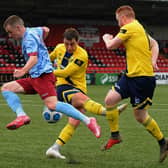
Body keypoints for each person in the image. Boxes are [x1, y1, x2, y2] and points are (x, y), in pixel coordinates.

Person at [1, 15, 101, 139]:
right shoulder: (34, 30)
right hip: (35, 77)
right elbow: (46, 30)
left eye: (10, 32)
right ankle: (21, 116)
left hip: (43, 76)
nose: (10, 35)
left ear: (18, 27)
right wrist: (42, 47)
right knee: (6, 88)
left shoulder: (29, 39)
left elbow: (33, 58)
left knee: (52, 105)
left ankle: (88, 120)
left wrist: (23, 71)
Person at [45, 27, 128, 159]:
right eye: (66, 43)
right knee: (83, 102)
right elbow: (48, 59)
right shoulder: (59, 48)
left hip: (78, 88)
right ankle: (108, 112)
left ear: (77, 42)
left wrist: (48, 71)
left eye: (72, 44)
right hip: (63, 87)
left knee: (73, 123)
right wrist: (43, 65)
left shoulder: (82, 55)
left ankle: (55, 148)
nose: (69, 47)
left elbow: (66, 72)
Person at [102, 5, 168, 163]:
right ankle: (115, 135)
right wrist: (153, 60)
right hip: (130, 76)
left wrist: (106, 37)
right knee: (109, 100)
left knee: (140, 116)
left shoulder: (130, 27)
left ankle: (163, 142)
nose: (118, 24)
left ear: (123, 18)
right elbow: (155, 44)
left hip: (142, 79)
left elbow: (111, 46)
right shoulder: (140, 28)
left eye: (118, 21)